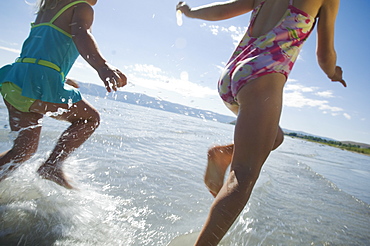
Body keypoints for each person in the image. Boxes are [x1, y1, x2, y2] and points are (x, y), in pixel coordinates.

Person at [176, 0, 346, 244]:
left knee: (274, 137)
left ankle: (224, 154)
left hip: (233, 74)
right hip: (262, 76)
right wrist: (333, 73)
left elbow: (223, 10)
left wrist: (190, 12)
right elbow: (325, 56)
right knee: (242, 177)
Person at [0, 0, 127, 189]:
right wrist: (102, 66)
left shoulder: (48, 8)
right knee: (89, 120)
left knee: (23, 150)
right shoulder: (81, 7)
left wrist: (61, 79)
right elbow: (81, 34)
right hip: (37, 82)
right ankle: (52, 165)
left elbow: (42, 51)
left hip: (15, 81)